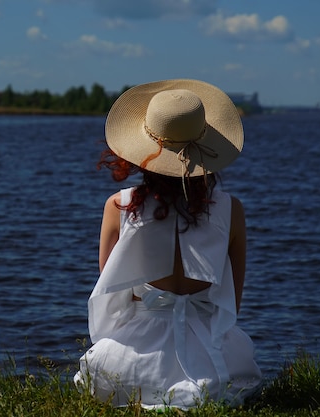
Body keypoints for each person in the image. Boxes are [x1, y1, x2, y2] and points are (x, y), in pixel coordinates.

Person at [73, 79, 262, 409]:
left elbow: (114, 294)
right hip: (209, 354)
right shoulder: (231, 210)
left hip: (135, 358)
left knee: (107, 376)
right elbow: (233, 301)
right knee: (235, 368)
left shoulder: (118, 207)